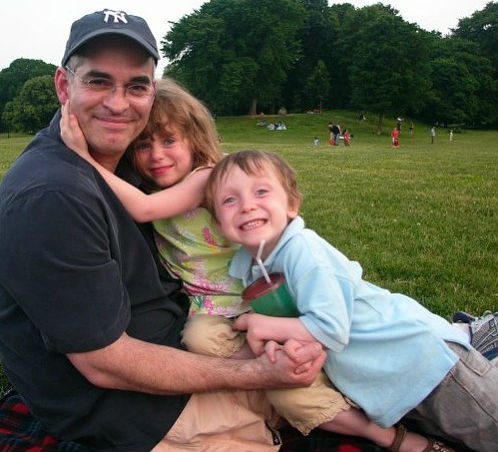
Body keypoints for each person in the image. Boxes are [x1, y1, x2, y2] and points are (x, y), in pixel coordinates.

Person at [61, 72, 448, 452]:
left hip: (262, 299)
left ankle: (377, 422)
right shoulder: (145, 188)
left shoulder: (205, 179)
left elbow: (143, 210)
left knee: (297, 376)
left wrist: (80, 158)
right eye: (143, 145)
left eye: (169, 140)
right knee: (206, 345)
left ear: (193, 138)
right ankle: (293, 389)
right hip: (213, 307)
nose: (157, 155)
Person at [0, 10, 325, 452]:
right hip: (147, 413)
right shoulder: (53, 196)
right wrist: (257, 373)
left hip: (198, 350)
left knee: (378, 371)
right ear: (63, 86)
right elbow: (106, 365)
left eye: (136, 85)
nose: (119, 103)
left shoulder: (127, 167)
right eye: (98, 81)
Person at [204, 149, 498, 452]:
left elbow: (330, 329)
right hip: (391, 384)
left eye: (261, 191)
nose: (247, 206)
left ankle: (480, 336)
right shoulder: (247, 269)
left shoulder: (303, 251)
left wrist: (258, 323)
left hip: (425, 364)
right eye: (229, 200)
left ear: (291, 205)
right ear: (217, 223)